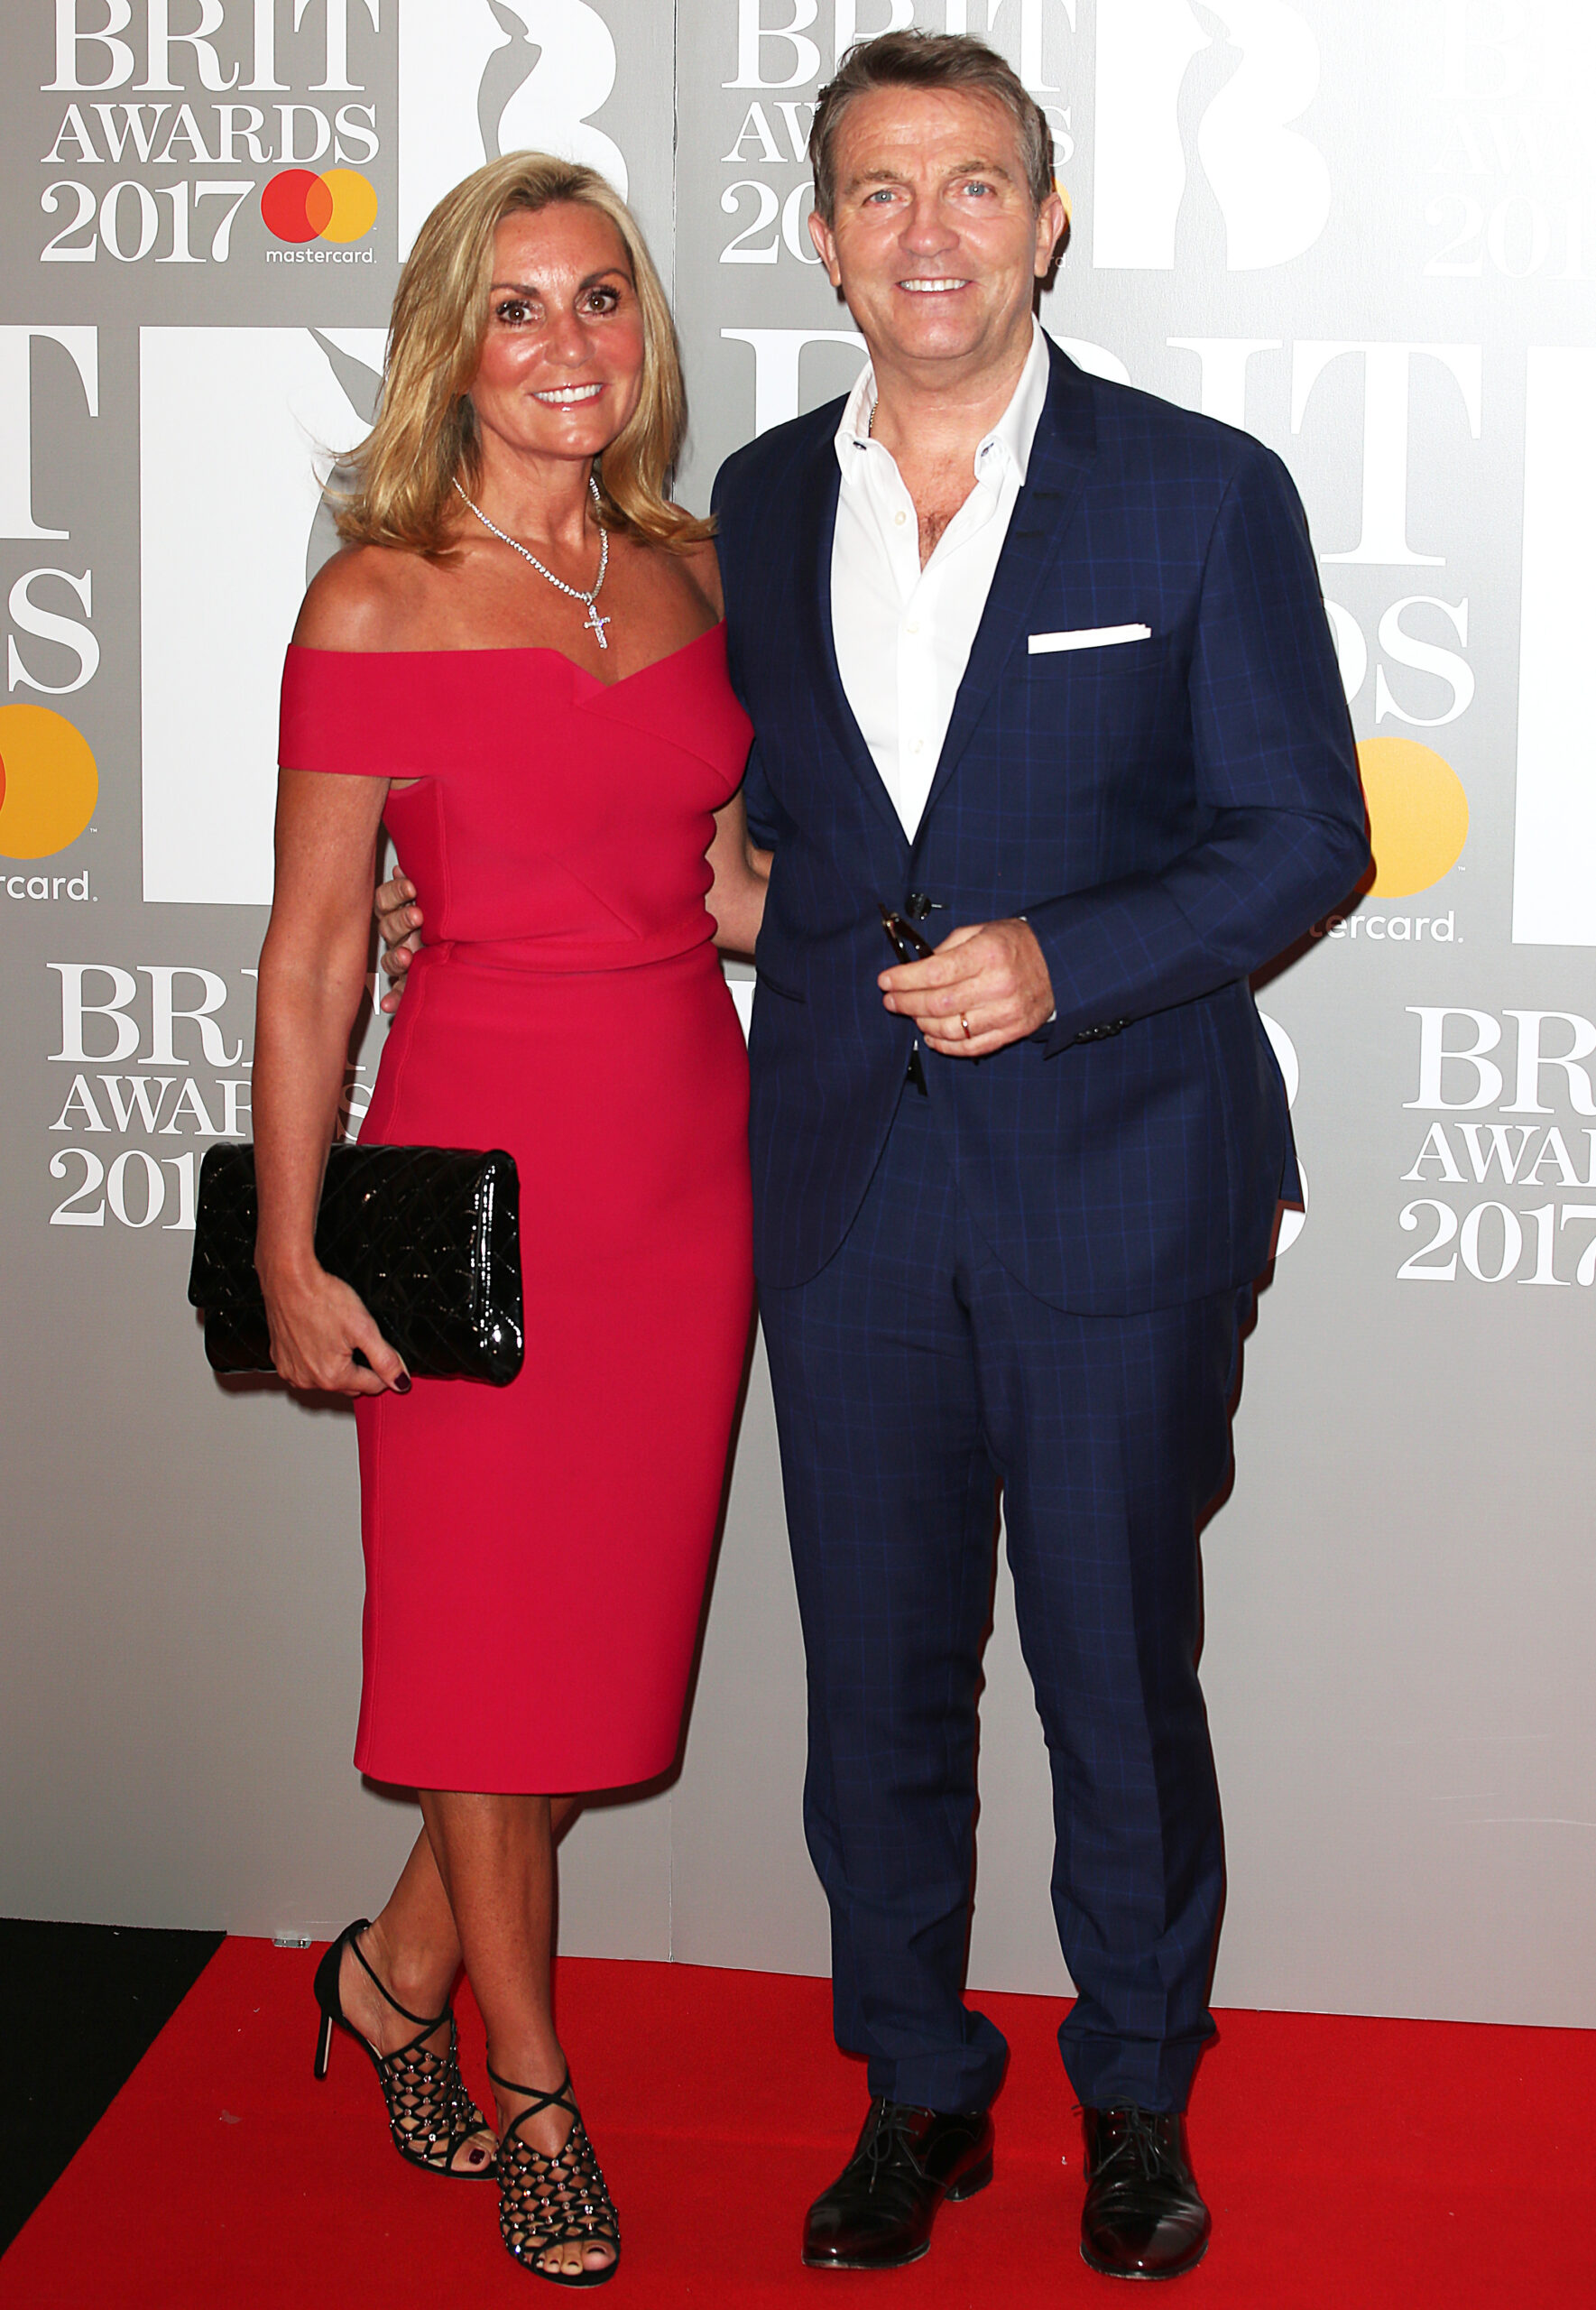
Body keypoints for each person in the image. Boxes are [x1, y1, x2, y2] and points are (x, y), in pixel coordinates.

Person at [381, 29, 1369, 2286]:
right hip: (831, 1185)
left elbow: (1303, 832)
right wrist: (480, 886)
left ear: (1048, 218)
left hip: (1122, 1171)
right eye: (882, 193)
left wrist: (1066, 955)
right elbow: (722, 830)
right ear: (823, 240)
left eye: (976, 186)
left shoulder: (1198, 491)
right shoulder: (753, 505)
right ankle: (916, 2076)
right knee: (881, 1683)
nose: (930, 232)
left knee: (1119, 1667)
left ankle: (1134, 2087)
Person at [253, 152, 763, 2286]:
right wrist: (292, 1248)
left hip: (683, 1162)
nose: (570, 346)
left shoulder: (685, 565)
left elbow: (722, 883)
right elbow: (308, 961)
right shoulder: (373, 598)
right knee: (487, 1665)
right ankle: (537, 2091)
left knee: (587, 1669)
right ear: (449, 345)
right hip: (473, 1171)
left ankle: (387, 1974)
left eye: (603, 300)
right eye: (521, 307)